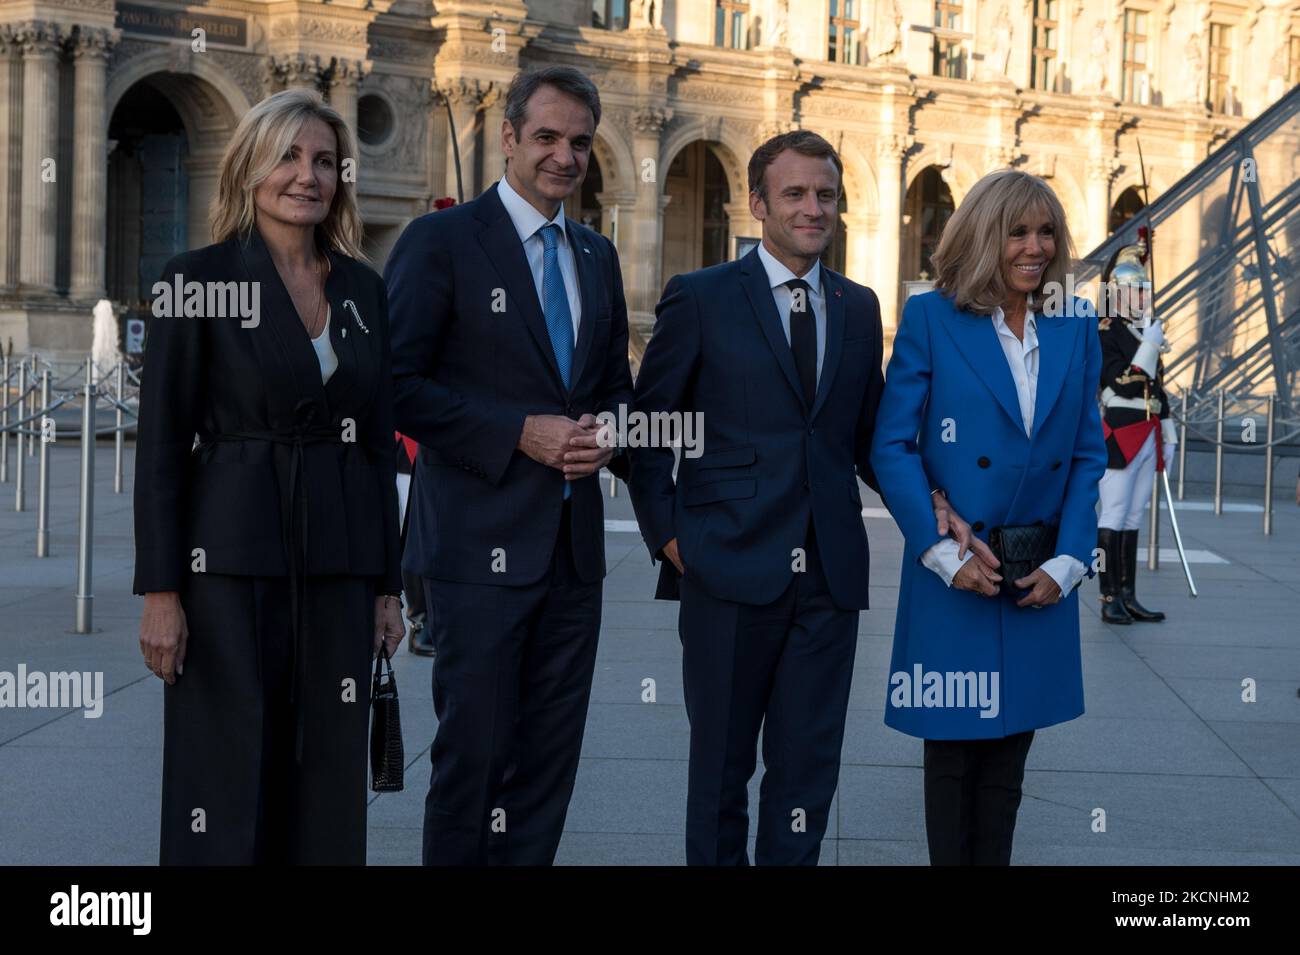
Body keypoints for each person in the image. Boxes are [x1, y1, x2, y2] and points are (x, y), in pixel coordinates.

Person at [628, 130, 954, 866]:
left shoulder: (859, 305)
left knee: (808, 774)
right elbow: (647, 430)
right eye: (796, 194)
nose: (814, 208)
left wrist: (931, 501)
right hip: (727, 568)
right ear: (758, 204)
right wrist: (671, 538)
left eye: (827, 195)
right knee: (721, 771)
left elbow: (868, 437)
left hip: (830, 579)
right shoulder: (701, 297)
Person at [134, 89, 405, 865]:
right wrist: (161, 594)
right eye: (288, 155)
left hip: (339, 568)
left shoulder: (362, 290)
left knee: (326, 778)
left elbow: (378, 444)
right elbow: (161, 449)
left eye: (323, 160)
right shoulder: (198, 278)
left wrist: (386, 585)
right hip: (226, 567)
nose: (307, 176)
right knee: (222, 777)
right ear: (251, 165)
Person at [385, 66, 634, 866]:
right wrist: (517, 432)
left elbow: (617, 391)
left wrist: (611, 432)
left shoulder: (596, 254)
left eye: (581, 144)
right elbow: (393, 385)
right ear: (508, 138)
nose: (565, 157)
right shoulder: (443, 241)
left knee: (547, 769)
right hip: (475, 552)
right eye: (548, 138)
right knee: (473, 760)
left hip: (573, 556)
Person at [870, 169, 1108, 865]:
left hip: (1039, 575)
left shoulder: (1073, 323)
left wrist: (1069, 562)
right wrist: (943, 554)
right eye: (1017, 231)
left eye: (1045, 231)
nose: (1035, 247)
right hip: (958, 569)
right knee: (951, 762)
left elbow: (1088, 454)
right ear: (984, 234)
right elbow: (892, 445)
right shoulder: (931, 319)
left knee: (1008, 765)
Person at [1095, 231, 1174, 624]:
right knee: (1113, 513)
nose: (1144, 296)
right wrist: (1150, 347)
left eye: (1144, 289)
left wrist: (1170, 431)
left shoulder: (1144, 331)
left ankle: (1128, 593)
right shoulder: (1108, 329)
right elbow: (1117, 380)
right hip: (1120, 434)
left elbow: (1157, 389)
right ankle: (1108, 595)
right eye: (1136, 289)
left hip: (1149, 433)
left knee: (1134, 516)